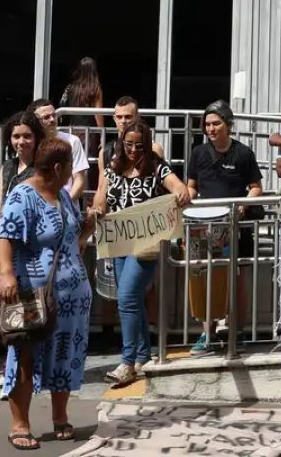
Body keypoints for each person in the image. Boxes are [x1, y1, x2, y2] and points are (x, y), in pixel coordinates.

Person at [0, 137, 98, 450]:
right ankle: (20, 423)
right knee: (26, 356)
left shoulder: (64, 197)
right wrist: (6, 274)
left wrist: (90, 223)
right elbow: (6, 236)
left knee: (65, 354)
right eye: (70, 167)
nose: (73, 173)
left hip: (72, 296)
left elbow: (73, 235)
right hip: (34, 294)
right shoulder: (22, 195)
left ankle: (59, 415)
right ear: (57, 167)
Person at [93, 119, 190, 386]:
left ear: (147, 146)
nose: (134, 150)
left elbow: (179, 188)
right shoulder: (112, 168)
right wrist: (98, 209)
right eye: (129, 145)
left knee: (126, 298)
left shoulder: (157, 168)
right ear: (121, 145)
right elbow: (101, 198)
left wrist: (181, 194)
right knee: (133, 299)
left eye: (139, 145)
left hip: (145, 246)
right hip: (118, 242)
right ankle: (143, 355)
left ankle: (127, 362)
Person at [185, 102, 263, 355]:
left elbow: (255, 187)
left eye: (216, 123)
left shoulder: (243, 153)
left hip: (235, 228)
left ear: (229, 125)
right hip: (204, 227)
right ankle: (208, 335)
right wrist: (184, 203)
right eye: (207, 124)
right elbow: (192, 186)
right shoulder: (198, 153)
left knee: (237, 279)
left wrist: (243, 204)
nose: (211, 128)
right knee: (204, 278)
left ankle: (236, 332)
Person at [0, 112, 46, 395]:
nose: (21, 142)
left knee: (24, 314)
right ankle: (12, 355)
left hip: (25, 255)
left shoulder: (41, 170)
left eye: (27, 136)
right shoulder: (7, 167)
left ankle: (18, 368)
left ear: (37, 138)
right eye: (16, 136)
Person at [29, 98, 89, 202]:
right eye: (46, 117)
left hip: (66, 207)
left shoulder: (72, 141)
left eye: (54, 115)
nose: (52, 120)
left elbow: (79, 180)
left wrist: (65, 206)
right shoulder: (30, 144)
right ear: (35, 122)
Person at [58, 56, 104, 159]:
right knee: (88, 162)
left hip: (71, 130)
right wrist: (102, 134)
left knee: (73, 162)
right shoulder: (95, 88)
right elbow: (98, 114)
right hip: (89, 133)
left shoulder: (71, 87)